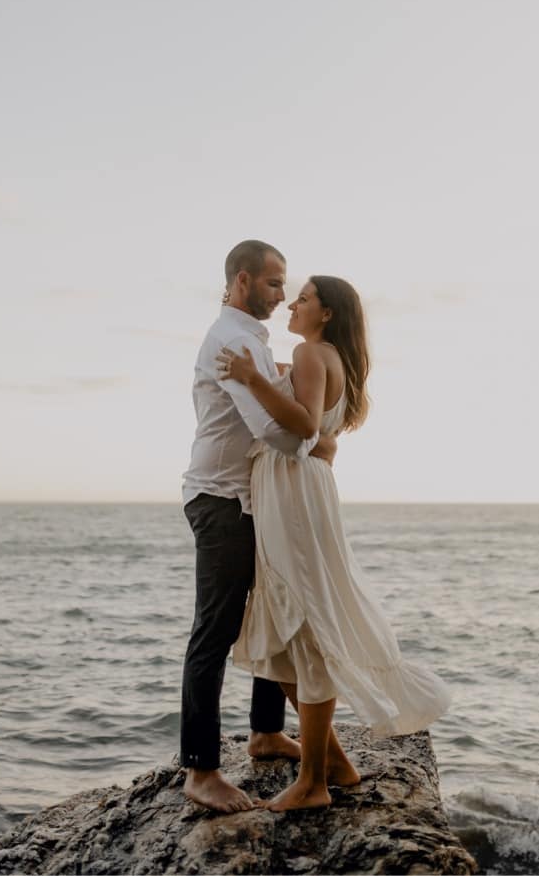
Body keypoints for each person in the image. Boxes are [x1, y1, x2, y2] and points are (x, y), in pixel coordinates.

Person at [219, 275, 450, 812]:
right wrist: (272, 379)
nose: (292, 305)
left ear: (325, 313)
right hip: (304, 492)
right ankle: (335, 764)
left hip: (292, 496)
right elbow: (319, 436)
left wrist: (254, 377)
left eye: (303, 298)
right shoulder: (329, 357)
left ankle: (314, 782)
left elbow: (300, 426)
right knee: (291, 624)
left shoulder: (307, 352)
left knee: (305, 626)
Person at [178, 239, 336, 813]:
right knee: (215, 632)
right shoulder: (234, 341)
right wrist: (314, 438)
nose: (282, 293)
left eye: (286, 284)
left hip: (251, 499)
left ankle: (266, 733)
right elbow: (272, 430)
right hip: (221, 499)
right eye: (273, 283)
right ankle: (200, 771)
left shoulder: (255, 344)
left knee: (272, 607)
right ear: (242, 281)